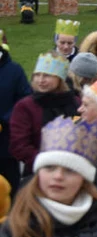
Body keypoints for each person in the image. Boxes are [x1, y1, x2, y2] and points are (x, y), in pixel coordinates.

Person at [9, 53, 77, 183]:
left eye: (47, 75)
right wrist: (49, 164)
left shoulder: (74, 103)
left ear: (60, 78)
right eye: (37, 75)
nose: (41, 80)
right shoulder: (25, 106)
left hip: (73, 171)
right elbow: (19, 145)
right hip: (37, 174)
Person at [0, 38, 31, 190]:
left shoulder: (14, 70)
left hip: (6, 145)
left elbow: (24, 102)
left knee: (10, 189)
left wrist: (4, 120)